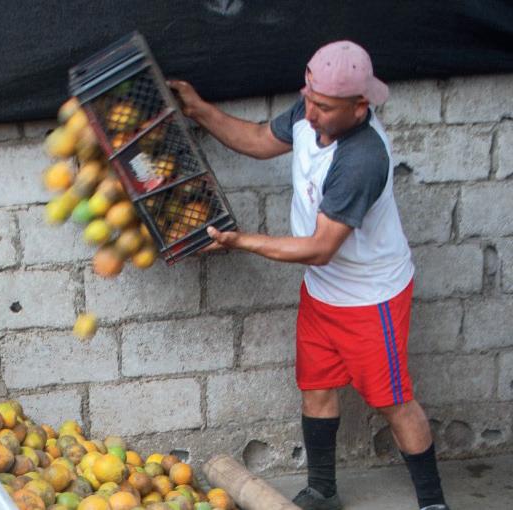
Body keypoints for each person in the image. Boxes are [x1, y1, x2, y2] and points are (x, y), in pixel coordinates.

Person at [168, 41, 448, 510]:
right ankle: (322, 490)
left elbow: (320, 249)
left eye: (324, 107)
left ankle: (433, 502)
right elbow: (259, 140)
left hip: (369, 298)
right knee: (316, 388)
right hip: (322, 293)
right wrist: (198, 110)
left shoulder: (362, 158)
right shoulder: (311, 112)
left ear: (360, 106)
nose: (310, 112)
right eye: (309, 98)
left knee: (392, 400)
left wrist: (241, 241)